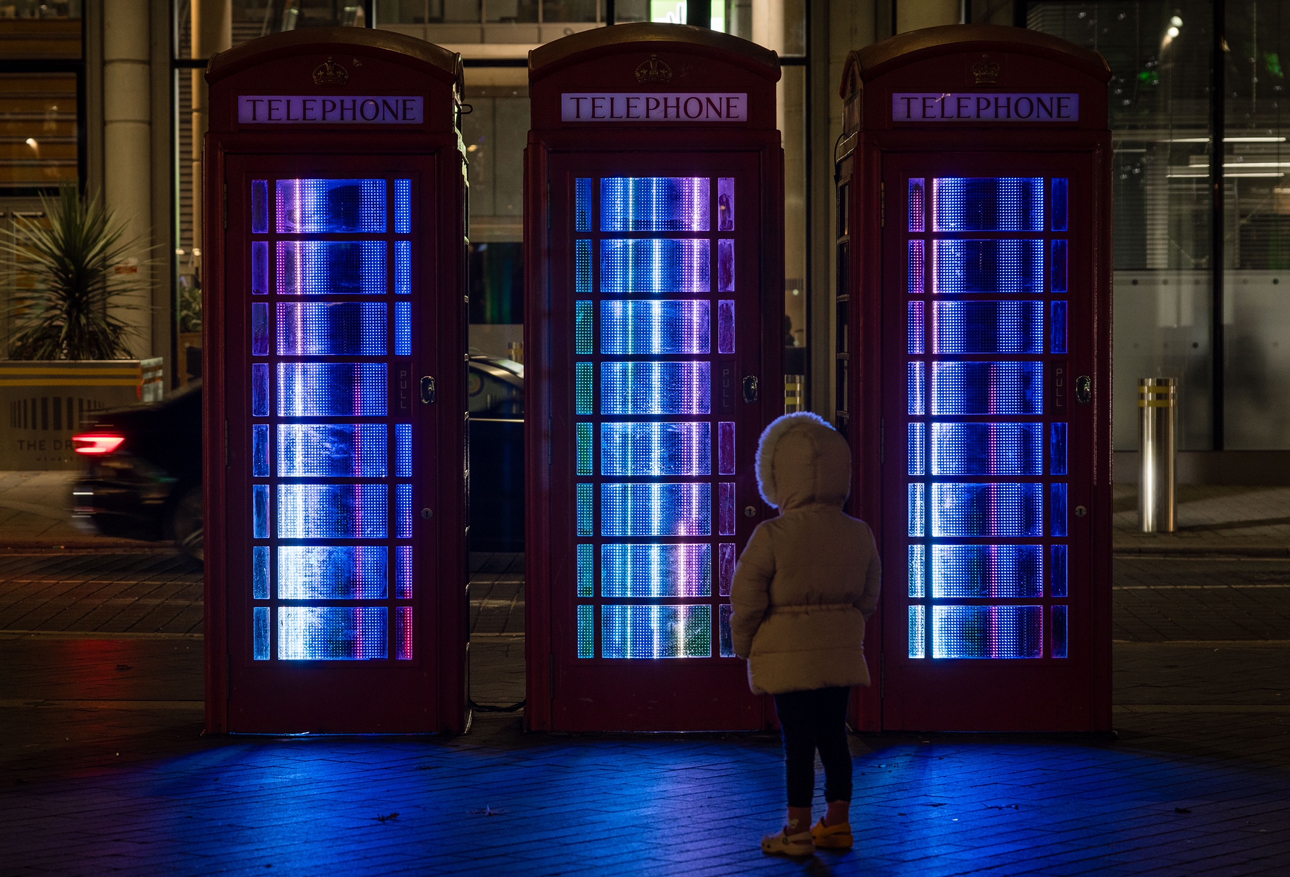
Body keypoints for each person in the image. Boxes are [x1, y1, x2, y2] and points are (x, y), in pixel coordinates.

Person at [730, 411, 881, 857]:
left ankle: (795, 831)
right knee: (834, 735)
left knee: (797, 743)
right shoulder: (858, 532)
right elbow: (869, 595)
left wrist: (743, 644)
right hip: (839, 652)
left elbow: (748, 597)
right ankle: (837, 824)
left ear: (778, 475)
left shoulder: (772, 534)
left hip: (787, 653)